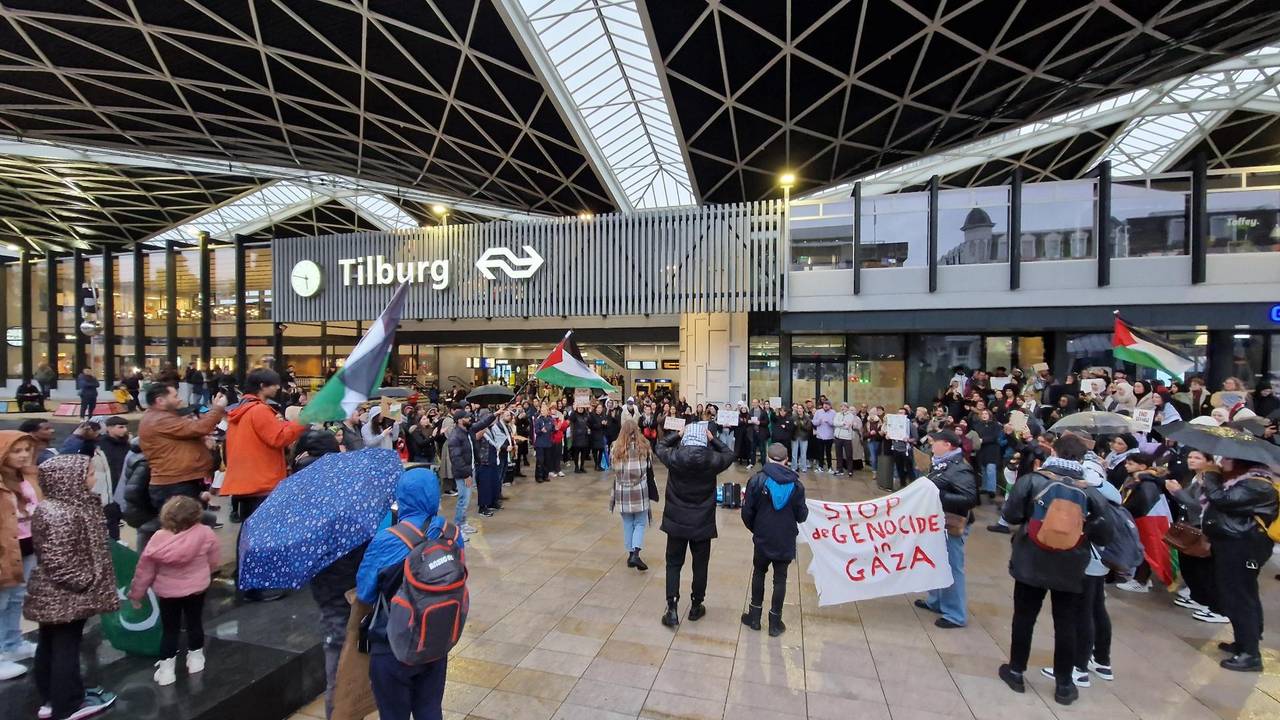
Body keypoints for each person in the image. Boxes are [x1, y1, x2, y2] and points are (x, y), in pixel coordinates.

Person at [998, 434, 1113, 706]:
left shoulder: (1033, 480)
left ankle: (1016, 671)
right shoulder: (1090, 490)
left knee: (1024, 617)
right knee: (1066, 624)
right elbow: (1105, 534)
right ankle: (1064, 684)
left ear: (1054, 451)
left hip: (1031, 559)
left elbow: (1011, 515)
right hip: (1071, 565)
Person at [355, 467, 458, 720]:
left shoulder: (387, 539)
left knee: (393, 713)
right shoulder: (451, 533)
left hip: (393, 644)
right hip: (436, 637)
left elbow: (365, 594)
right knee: (430, 709)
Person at [24, 454, 120, 719]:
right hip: (67, 595)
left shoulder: (64, 506)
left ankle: (54, 697)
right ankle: (68, 704)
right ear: (68, 480)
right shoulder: (62, 513)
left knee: (51, 644)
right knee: (65, 648)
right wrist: (87, 582)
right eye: (88, 474)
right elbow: (59, 561)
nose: (93, 478)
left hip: (55, 594)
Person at [220, 369, 306, 601]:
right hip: (262, 480)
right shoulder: (258, 410)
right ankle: (254, 586)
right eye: (274, 384)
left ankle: (246, 579)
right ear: (262, 386)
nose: (278, 388)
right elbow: (279, 438)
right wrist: (302, 422)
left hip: (249, 480)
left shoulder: (242, 410)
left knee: (249, 534)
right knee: (259, 535)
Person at [127, 496, 219, 686]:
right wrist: (205, 573)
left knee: (170, 629)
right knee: (195, 623)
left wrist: (136, 594)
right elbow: (213, 559)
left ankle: (167, 670)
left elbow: (145, 570)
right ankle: (196, 659)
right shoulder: (205, 533)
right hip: (197, 589)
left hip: (168, 593)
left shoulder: (158, 539)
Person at [654, 422, 735, 627]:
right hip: (702, 522)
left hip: (677, 521)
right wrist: (713, 438)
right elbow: (729, 453)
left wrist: (677, 434)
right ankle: (696, 605)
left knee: (673, 564)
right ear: (704, 438)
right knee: (700, 566)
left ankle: (671, 608)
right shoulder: (713, 460)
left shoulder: (675, 457)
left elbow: (660, 446)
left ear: (685, 438)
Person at [1200, 457, 1277, 672]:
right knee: (1237, 594)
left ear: (1240, 461)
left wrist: (1211, 474)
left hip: (1244, 547)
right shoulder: (1244, 480)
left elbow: (1222, 499)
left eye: (1227, 459)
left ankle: (1251, 654)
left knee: (1241, 596)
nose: (1222, 461)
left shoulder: (1257, 484)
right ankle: (1243, 642)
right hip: (1233, 544)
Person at [740, 443, 808, 637]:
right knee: (780, 579)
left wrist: (756, 528)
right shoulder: (796, 485)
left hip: (763, 536)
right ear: (786, 460)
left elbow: (747, 512)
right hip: (785, 538)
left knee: (759, 573)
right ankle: (775, 622)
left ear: (768, 458)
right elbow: (802, 515)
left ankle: (754, 617)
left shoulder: (757, 480)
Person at [914, 431, 978, 629]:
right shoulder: (942, 463)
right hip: (938, 521)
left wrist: (936, 494)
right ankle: (936, 600)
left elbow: (970, 499)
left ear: (948, 445)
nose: (932, 446)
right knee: (935, 560)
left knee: (951, 565)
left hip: (952, 523)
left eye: (935, 442)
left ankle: (955, 613)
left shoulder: (959, 469)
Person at [1163, 450, 1229, 624]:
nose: (1191, 460)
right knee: (1190, 565)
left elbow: (1200, 506)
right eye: (1190, 457)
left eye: (1197, 458)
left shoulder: (1210, 480)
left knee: (1203, 568)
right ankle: (1199, 597)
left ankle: (1214, 605)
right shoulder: (1195, 477)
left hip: (1204, 528)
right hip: (1192, 526)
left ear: (1209, 461)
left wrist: (1178, 492)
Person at [139, 384, 227, 511]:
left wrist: (202, 439)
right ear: (160, 401)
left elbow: (189, 432)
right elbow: (199, 428)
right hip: (174, 484)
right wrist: (218, 408)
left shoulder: (161, 417)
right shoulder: (159, 419)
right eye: (175, 396)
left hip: (179, 481)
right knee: (183, 527)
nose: (179, 399)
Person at [0, 432, 38, 682]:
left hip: (27, 546)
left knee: (16, 598)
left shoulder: (29, 475)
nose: (23, 454)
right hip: (4, 549)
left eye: (26, 449)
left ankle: (12, 644)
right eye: (16, 450)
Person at [610, 421, 653, 572]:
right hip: (639, 489)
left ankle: (630, 555)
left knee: (628, 523)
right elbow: (648, 466)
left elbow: (612, 467)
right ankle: (635, 553)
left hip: (621, 490)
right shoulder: (644, 446)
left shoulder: (615, 447)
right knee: (640, 522)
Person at [447, 410, 497, 535]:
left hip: (470, 469)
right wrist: (466, 475)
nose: (470, 419)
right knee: (463, 500)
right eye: (467, 417)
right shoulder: (455, 436)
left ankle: (463, 523)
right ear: (459, 420)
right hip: (464, 473)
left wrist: (495, 414)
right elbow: (456, 459)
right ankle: (459, 527)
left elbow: (482, 424)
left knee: (466, 499)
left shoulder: (467, 430)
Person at [811, 401, 836, 473]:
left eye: (827, 405)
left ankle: (830, 467)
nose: (826, 406)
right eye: (825, 405)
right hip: (820, 436)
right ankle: (820, 466)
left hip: (829, 436)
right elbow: (813, 422)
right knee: (820, 452)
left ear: (830, 406)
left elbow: (835, 423)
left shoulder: (833, 412)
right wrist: (819, 421)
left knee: (828, 452)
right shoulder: (818, 412)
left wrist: (829, 422)